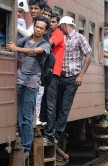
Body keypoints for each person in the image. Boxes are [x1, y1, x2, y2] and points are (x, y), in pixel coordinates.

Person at [6, 16, 51, 159]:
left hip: (31, 84)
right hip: (19, 81)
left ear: (45, 31)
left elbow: (34, 51)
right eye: (36, 26)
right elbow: (11, 46)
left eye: (41, 28)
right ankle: (23, 143)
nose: (38, 29)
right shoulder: (25, 40)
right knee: (18, 114)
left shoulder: (45, 45)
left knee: (27, 116)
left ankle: (26, 148)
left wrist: (16, 48)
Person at [54, 16, 92, 142]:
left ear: (65, 25)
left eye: (60, 26)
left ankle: (57, 133)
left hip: (72, 78)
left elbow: (88, 56)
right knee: (57, 104)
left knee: (65, 106)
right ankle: (55, 129)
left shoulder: (79, 37)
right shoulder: (62, 37)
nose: (59, 28)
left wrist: (81, 75)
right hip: (61, 76)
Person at [43, 13, 65, 145]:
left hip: (54, 72)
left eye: (52, 22)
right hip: (46, 72)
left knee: (51, 103)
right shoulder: (51, 33)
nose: (50, 24)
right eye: (49, 22)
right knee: (45, 102)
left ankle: (50, 134)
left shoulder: (58, 34)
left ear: (58, 23)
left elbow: (48, 44)